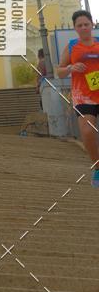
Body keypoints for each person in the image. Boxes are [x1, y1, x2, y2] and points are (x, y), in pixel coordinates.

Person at [56, 10, 99, 186]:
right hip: (83, 96)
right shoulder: (72, 46)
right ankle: (97, 167)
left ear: (92, 25)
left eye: (86, 24)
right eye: (79, 25)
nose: (83, 28)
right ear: (75, 28)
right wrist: (70, 68)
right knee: (87, 132)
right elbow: (59, 72)